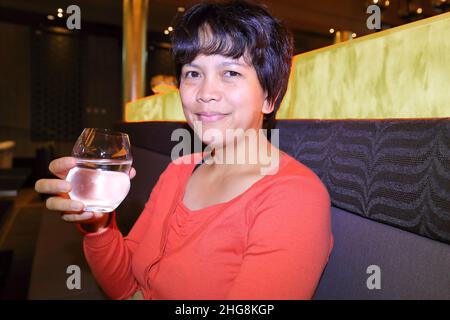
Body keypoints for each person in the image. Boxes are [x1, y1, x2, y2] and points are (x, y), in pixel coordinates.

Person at [35, 0, 333, 300]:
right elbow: (125, 285)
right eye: (193, 73)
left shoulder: (295, 196)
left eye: (230, 72)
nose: (205, 93)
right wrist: (97, 225)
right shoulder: (180, 169)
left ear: (270, 97)